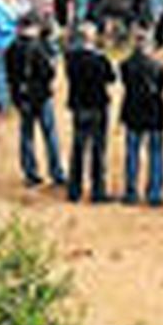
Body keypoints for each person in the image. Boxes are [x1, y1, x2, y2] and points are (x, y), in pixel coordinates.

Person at [9, 15, 66, 188]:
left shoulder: (12, 48)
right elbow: (48, 72)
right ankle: (56, 173)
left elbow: (10, 75)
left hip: (22, 97)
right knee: (50, 135)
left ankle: (30, 173)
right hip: (41, 97)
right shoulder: (40, 48)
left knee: (27, 135)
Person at [64, 22, 116, 204]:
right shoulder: (99, 59)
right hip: (97, 106)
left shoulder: (71, 58)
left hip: (79, 105)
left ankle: (74, 190)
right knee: (98, 150)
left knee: (78, 148)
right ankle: (97, 191)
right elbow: (111, 77)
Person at [119, 32, 163, 206]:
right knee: (155, 153)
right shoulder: (158, 67)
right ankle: (154, 193)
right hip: (154, 113)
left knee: (132, 153)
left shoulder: (125, 65)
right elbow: (162, 86)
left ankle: (131, 191)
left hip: (133, 112)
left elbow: (125, 83)